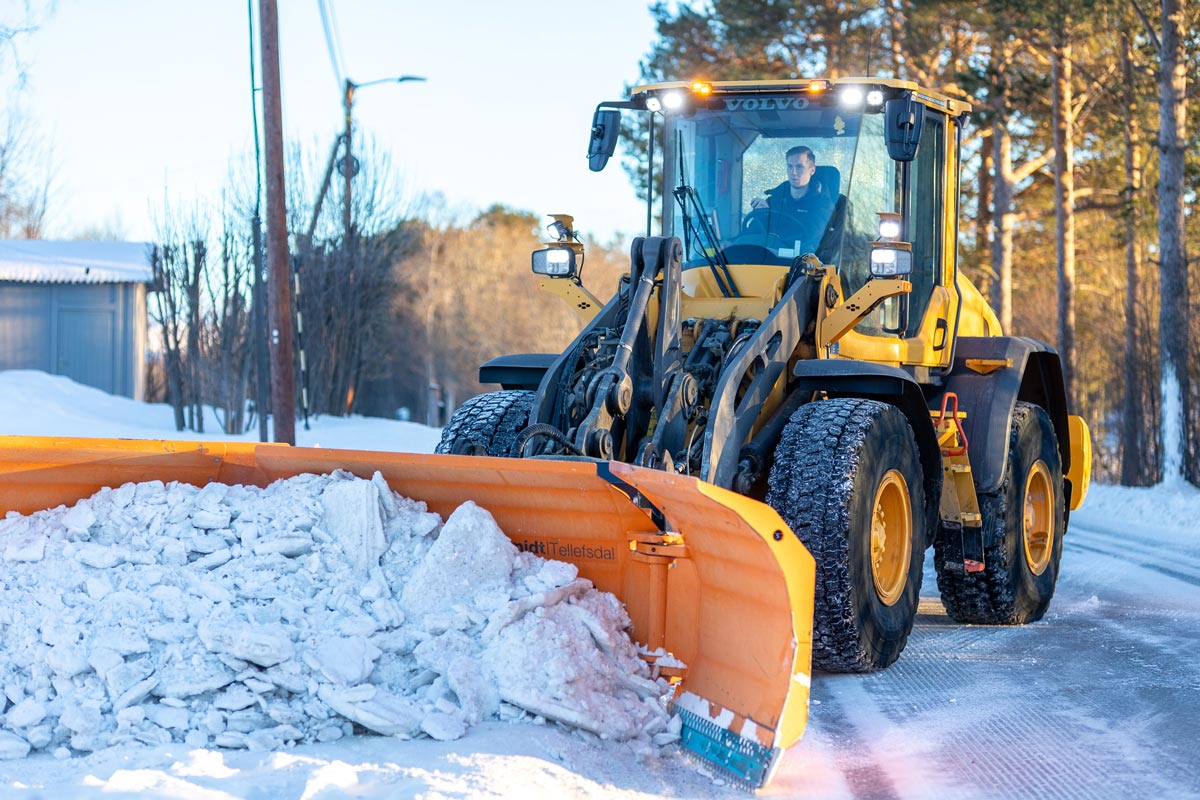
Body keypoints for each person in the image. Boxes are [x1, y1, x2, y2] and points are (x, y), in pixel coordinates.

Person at [744, 145, 835, 249]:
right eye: (790, 166)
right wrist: (762, 214)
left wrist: (771, 216)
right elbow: (753, 233)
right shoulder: (773, 201)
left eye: (799, 167)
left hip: (802, 258)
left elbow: (808, 236)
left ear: (812, 170)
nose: (793, 172)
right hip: (765, 256)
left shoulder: (823, 206)